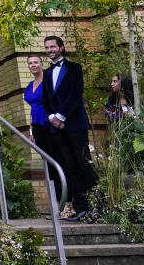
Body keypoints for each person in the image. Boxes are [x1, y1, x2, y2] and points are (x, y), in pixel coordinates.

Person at [41, 35, 98, 222]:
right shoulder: (47, 73)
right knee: (69, 166)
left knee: (83, 163)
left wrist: (61, 116)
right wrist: (51, 117)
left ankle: (96, 205)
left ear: (61, 48)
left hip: (74, 123)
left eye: (52, 47)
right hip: (57, 128)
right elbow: (46, 100)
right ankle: (79, 207)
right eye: (47, 47)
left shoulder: (74, 68)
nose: (50, 50)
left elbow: (75, 95)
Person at [23, 55, 63, 205]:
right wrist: (31, 130)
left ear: (41, 64)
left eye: (35, 62)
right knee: (47, 162)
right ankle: (57, 203)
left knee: (57, 159)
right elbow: (33, 110)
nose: (33, 65)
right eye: (30, 63)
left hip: (50, 122)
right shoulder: (29, 85)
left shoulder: (48, 80)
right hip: (37, 125)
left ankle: (65, 200)